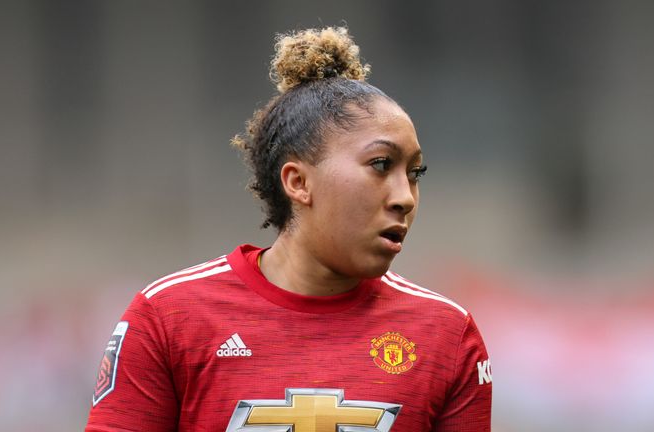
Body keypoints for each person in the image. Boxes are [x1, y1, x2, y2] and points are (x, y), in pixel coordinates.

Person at [85, 26, 492, 431]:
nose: (405, 196)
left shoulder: (446, 335)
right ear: (298, 182)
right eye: (381, 165)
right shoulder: (167, 317)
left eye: (414, 173)